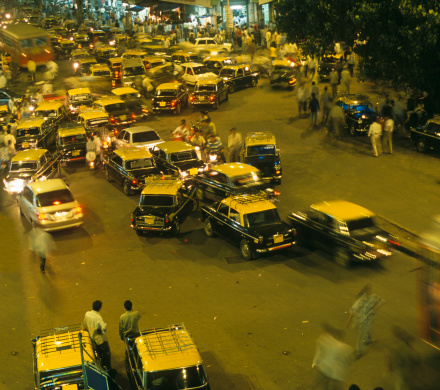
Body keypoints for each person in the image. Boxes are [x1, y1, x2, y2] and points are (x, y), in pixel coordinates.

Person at [312, 323, 353, 390]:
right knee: (336, 387)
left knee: (324, 386)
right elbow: (348, 361)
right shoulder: (346, 348)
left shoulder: (323, 340)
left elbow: (319, 353)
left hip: (325, 369)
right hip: (337, 374)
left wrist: (314, 363)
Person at [347, 283, 385, 356]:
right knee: (362, 331)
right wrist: (349, 322)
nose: (368, 293)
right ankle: (369, 338)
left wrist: (375, 307)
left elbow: (382, 301)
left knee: (361, 336)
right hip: (359, 319)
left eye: (369, 291)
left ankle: (359, 351)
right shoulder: (360, 300)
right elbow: (352, 310)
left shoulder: (374, 297)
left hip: (367, 320)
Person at [83, 300, 113, 372]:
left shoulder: (87, 314)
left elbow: (85, 325)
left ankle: (101, 365)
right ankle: (108, 369)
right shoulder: (98, 318)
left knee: (98, 353)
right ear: (100, 308)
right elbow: (103, 329)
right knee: (107, 353)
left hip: (92, 337)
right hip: (100, 339)